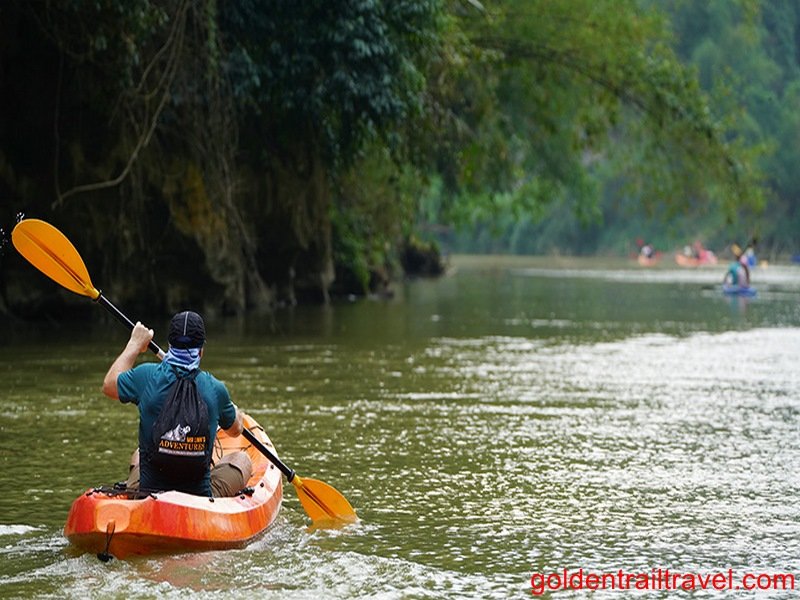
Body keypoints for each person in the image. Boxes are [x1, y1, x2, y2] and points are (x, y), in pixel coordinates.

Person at [102, 310, 252, 497]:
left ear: (170, 345)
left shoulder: (147, 376)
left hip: (149, 496)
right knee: (242, 459)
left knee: (138, 453)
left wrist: (134, 344)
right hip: (200, 501)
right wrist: (234, 412)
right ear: (201, 350)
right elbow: (235, 430)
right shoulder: (215, 389)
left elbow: (109, 385)